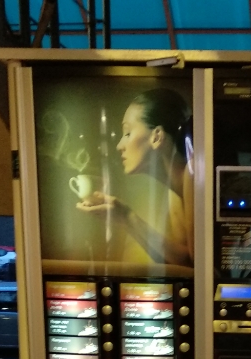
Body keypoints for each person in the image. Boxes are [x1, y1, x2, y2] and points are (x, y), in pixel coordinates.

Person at [77, 89, 194, 267]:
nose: (119, 146)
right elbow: (183, 262)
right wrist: (124, 216)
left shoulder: (192, 179)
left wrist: (127, 217)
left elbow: (201, 269)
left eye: (127, 133)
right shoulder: (175, 194)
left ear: (157, 137)